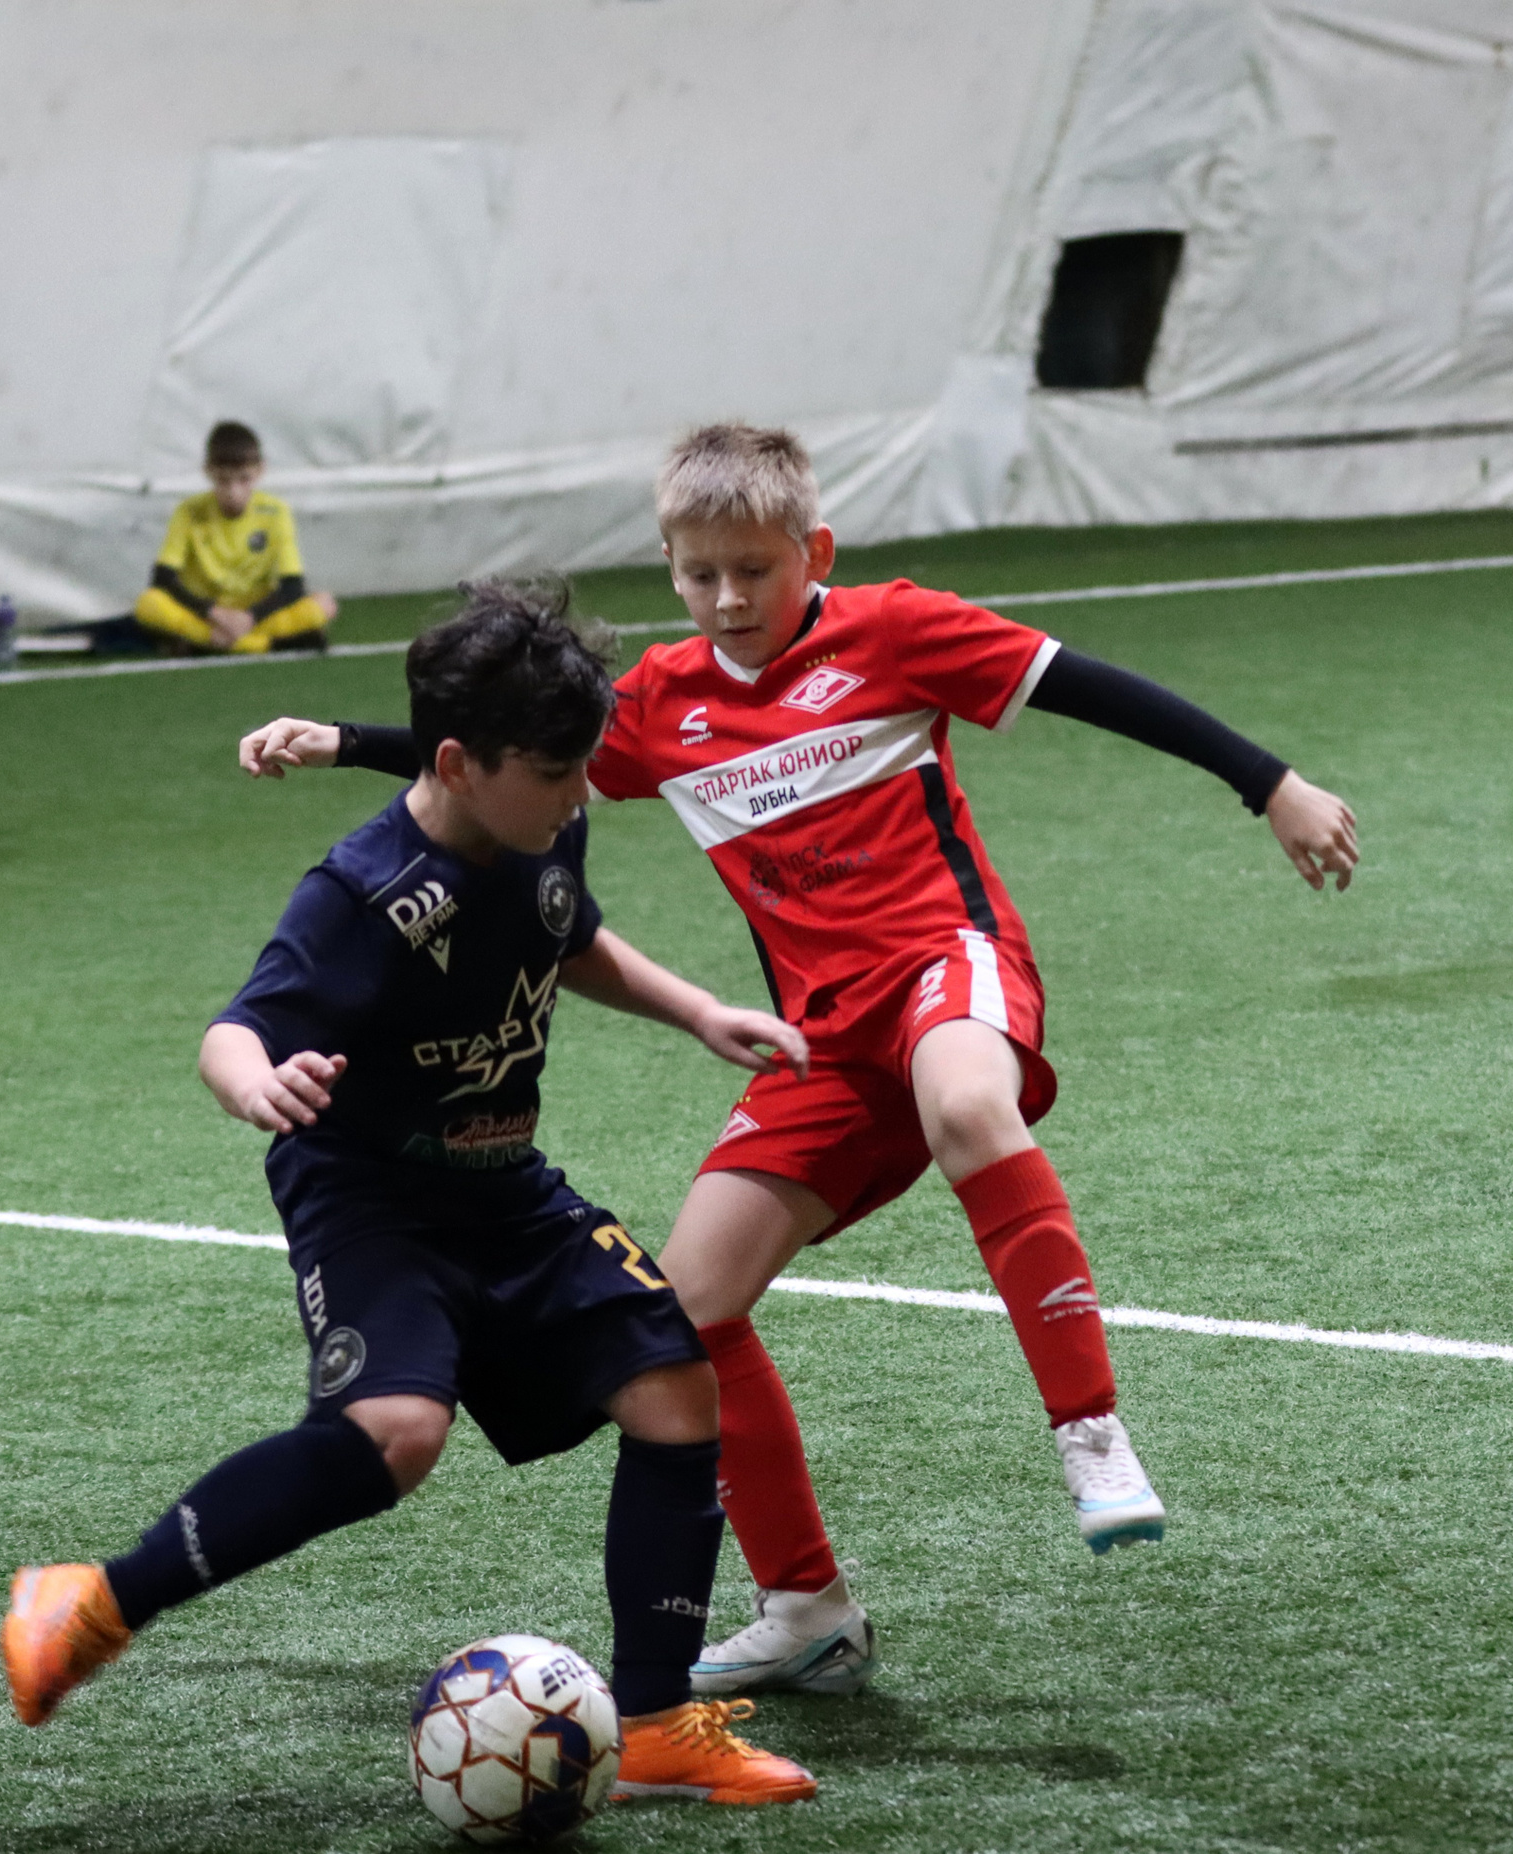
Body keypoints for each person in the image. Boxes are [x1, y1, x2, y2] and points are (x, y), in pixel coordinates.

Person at [238, 423, 1359, 1698]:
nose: (728, 597)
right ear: (669, 568)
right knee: (685, 1310)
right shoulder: (660, 704)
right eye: (699, 573)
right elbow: (510, 755)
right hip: (821, 1038)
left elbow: (1091, 687)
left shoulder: (896, 631)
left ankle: (1090, 1430)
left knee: (970, 1107)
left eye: (754, 570)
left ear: (813, 552)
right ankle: (807, 1608)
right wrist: (344, 740)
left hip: (947, 968)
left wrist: (1268, 783)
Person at [1, 584, 819, 1807]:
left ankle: (653, 1725)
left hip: (505, 1189)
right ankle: (94, 1601)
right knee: (397, 1435)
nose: (581, 794)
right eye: (557, 774)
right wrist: (256, 1083)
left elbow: (566, 934)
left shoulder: (540, 826)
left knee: (674, 1385)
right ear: (457, 765)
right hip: (370, 1198)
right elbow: (237, 1027)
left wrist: (697, 1010)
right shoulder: (364, 891)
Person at [134, 421, 339, 655]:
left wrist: (250, 616)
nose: (234, 492)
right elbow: (162, 579)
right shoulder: (188, 511)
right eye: (223, 480)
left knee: (324, 604)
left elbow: (293, 586)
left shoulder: (276, 512)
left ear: (260, 471)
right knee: (148, 603)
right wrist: (213, 612)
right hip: (207, 615)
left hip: (254, 614)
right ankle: (264, 644)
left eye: (244, 479)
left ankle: (204, 642)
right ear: (208, 471)